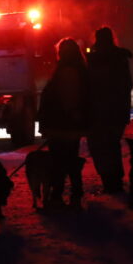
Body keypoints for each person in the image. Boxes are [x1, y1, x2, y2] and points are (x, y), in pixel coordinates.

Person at [36, 38, 90, 209]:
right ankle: (75, 192)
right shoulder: (78, 70)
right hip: (69, 124)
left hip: (61, 124)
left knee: (59, 161)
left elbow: (66, 98)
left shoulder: (66, 71)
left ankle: (59, 194)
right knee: (71, 159)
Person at [87, 27, 133, 194]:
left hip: (97, 112)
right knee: (113, 145)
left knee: (99, 146)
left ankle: (108, 180)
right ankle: (116, 180)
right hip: (117, 111)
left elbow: (89, 87)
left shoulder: (93, 60)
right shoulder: (120, 58)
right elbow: (127, 85)